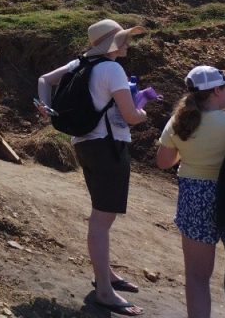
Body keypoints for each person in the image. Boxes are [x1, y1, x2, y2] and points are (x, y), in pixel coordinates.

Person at [37, 19, 148, 316]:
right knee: (101, 221)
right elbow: (131, 115)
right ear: (113, 43)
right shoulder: (112, 69)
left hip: (84, 144)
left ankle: (106, 275)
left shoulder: (79, 64)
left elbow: (44, 80)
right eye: (123, 39)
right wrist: (144, 109)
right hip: (108, 147)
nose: (127, 44)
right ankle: (104, 292)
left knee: (101, 216)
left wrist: (47, 111)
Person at [156, 66, 225, 318]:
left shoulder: (178, 122)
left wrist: (189, 152)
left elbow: (163, 162)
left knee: (197, 277)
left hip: (195, 196)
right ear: (216, 91)